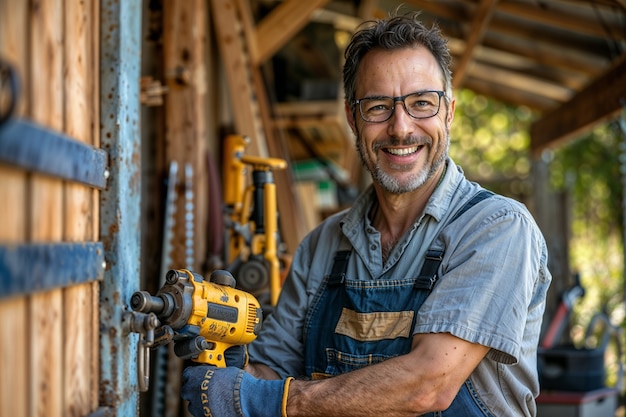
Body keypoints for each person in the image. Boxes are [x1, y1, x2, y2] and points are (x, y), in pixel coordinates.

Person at [181, 9, 552, 417]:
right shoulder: (321, 246)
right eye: (377, 107)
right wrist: (234, 370)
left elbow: (429, 385)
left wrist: (268, 401)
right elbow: (273, 372)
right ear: (352, 118)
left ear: (449, 111)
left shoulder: (496, 230)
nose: (400, 128)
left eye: (421, 104)